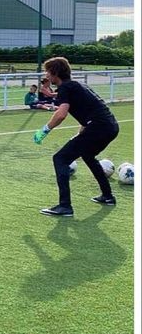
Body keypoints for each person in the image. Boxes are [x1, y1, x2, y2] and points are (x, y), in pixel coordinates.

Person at [33, 56, 119, 217]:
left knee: (60, 158)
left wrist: (44, 130)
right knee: (87, 155)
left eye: (48, 72)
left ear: (55, 73)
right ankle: (108, 196)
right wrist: (79, 135)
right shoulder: (76, 85)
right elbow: (87, 111)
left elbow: (61, 114)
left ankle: (65, 206)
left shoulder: (66, 88)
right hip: (110, 127)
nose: (46, 75)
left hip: (98, 128)